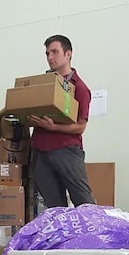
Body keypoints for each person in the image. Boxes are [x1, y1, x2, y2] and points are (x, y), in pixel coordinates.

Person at [25, 34, 95, 208]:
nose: (50, 57)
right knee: (54, 206)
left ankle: (92, 234)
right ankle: (63, 235)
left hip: (66, 151)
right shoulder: (44, 85)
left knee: (83, 201)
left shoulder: (80, 88)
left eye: (55, 52)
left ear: (68, 54)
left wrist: (53, 127)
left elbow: (81, 126)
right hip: (41, 152)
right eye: (47, 53)